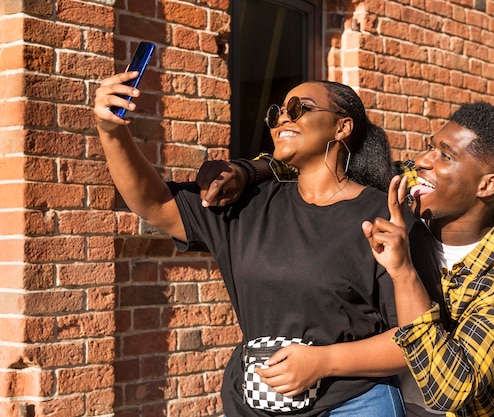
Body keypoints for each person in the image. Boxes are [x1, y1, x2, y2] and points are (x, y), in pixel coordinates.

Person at [200, 102, 494, 417]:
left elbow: (448, 389)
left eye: (446, 156)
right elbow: (323, 165)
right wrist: (246, 171)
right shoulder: (406, 186)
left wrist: (403, 270)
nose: (424, 160)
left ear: (486, 186)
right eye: (430, 146)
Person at [93, 73, 410, 417]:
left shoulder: (382, 212)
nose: (283, 118)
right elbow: (153, 204)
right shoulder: (248, 204)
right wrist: (112, 131)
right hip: (256, 404)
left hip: (351, 404)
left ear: (342, 127)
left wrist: (324, 361)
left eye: (297, 108)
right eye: (276, 113)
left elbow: (413, 340)